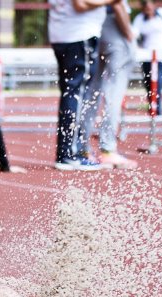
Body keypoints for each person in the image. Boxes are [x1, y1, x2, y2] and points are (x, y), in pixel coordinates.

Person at [48, 0, 120, 171]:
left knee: (71, 92)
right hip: (78, 35)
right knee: (76, 93)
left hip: (64, 35)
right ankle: (70, 154)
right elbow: (80, 4)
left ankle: (67, 152)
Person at [80, 0, 139, 168]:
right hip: (114, 27)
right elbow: (117, 4)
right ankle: (107, 150)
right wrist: (128, 33)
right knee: (114, 92)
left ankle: (82, 147)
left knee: (93, 90)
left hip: (94, 26)